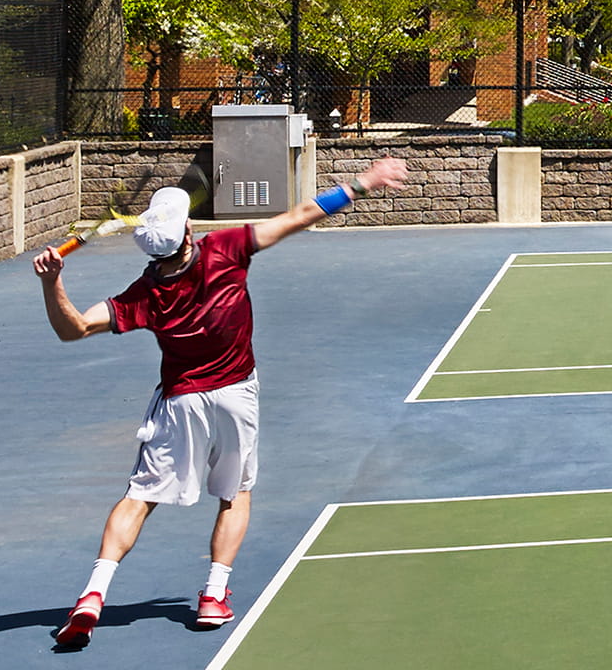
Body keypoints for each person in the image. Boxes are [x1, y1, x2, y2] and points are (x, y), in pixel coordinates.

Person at [34, 159, 408, 647]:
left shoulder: (144, 294)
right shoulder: (225, 249)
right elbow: (299, 215)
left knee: (139, 498)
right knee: (236, 494)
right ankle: (213, 594)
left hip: (180, 403)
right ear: (188, 230)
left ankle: (92, 595)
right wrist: (361, 183)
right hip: (236, 396)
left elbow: (75, 328)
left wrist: (51, 281)